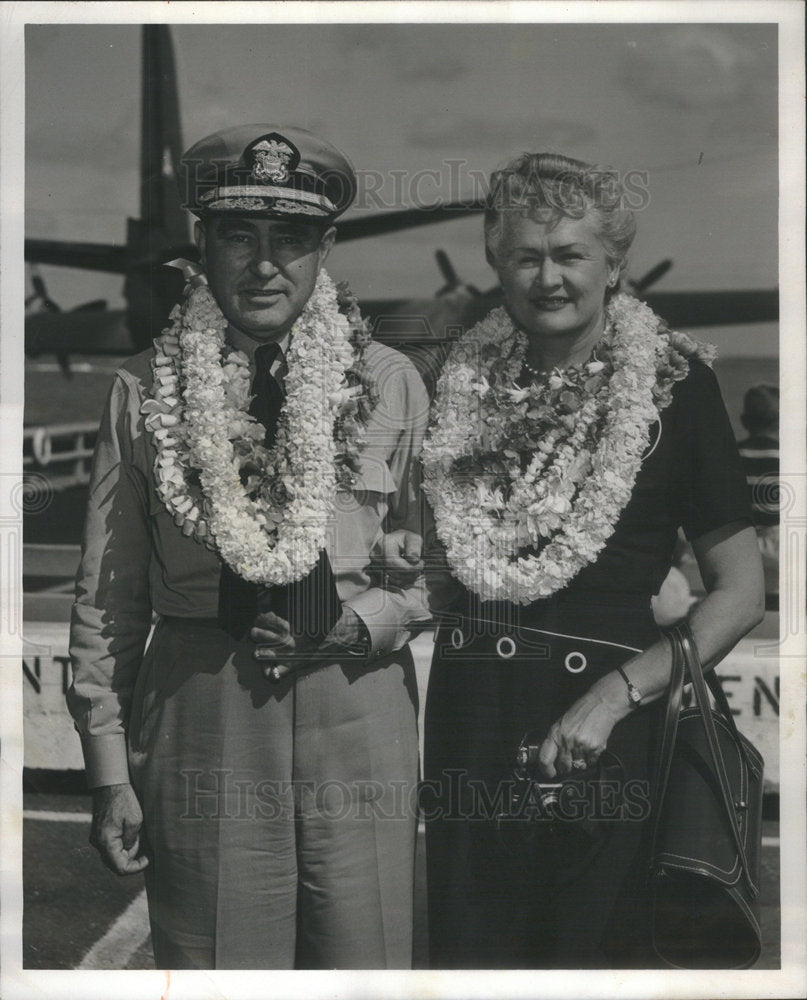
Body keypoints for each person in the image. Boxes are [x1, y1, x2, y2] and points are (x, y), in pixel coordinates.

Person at [67, 124, 431, 970]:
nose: (264, 263)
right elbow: (108, 596)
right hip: (201, 705)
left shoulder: (390, 381)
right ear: (202, 243)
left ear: (324, 247)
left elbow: (444, 568)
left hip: (357, 703)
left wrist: (358, 622)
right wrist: (107, 771)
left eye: (291, 238)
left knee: (365, 963)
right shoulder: (143, 388)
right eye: (238, 234)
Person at [418, 153, 764, 968]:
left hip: (608, 732)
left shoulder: (676, 388)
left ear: (615, 265)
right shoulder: (458, 378)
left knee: (591, 965)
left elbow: (740, 591)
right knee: (472, 964)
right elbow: (434, 557)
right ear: (495, 263)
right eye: (525, 256)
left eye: (570, 254)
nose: (547, 277)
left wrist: (613, 697)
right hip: (471, 722)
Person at [737, 384, 780, 609]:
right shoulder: (787, 457)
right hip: (780, 546)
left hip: (744, 546)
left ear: (744, 421)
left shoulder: (732, 456)